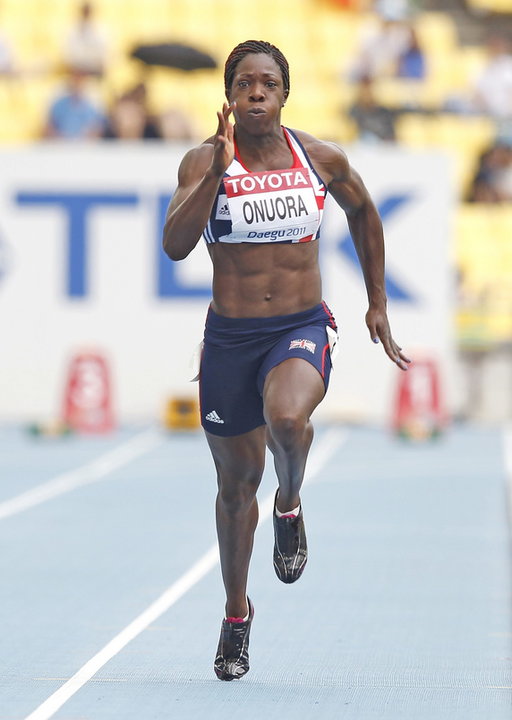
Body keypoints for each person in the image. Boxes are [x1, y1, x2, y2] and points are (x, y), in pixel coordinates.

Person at [162, 40, 410, 682]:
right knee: (235, 487)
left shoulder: (319, 159)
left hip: (299, 326)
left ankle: (291, 503)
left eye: (267, 81)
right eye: (244, 81)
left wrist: (377, 301)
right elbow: (174, 245)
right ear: (229, 95)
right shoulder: (203, 161)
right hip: (230, 340)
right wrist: (216, 173)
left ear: (283, 92)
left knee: (288, 417)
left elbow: (365, 215)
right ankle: (237, 614)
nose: (256, 90)